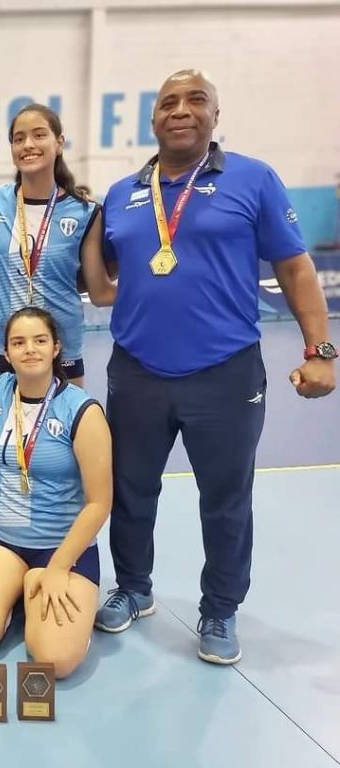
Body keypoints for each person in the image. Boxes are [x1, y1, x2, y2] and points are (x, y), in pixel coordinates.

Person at [96, 69, 336, 665]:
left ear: (215, 116)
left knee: (225, 499)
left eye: (195, 100)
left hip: (225, 375)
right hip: (137, 372)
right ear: (153, 121)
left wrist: (321, 351)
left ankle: (220, 609)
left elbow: (297, 269)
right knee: (130, 491)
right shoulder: (122, 192)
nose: (181, 110)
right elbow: (100, 284)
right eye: (168, 103)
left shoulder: (253, 180)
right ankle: (133, 587)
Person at [0, 307, 111, 679]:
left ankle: (40, 594)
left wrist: (57, 567)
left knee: (54, 663)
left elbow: (100, 502)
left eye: (40, 340)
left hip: (60, 546)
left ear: (56, 347)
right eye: (18, 343)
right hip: (2, 538)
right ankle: (17, 592)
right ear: (5, 353)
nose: (30, 350)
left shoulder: (82, 411)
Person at [0, 104, 116, 385]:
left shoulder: (84, 213)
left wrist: (155, 289)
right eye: (18, 139)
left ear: (59, 143)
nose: (28, 145)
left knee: (65, 426)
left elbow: (99, 291)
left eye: (39, 135)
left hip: (60, 344)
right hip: (3, 343)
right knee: (2, 427)